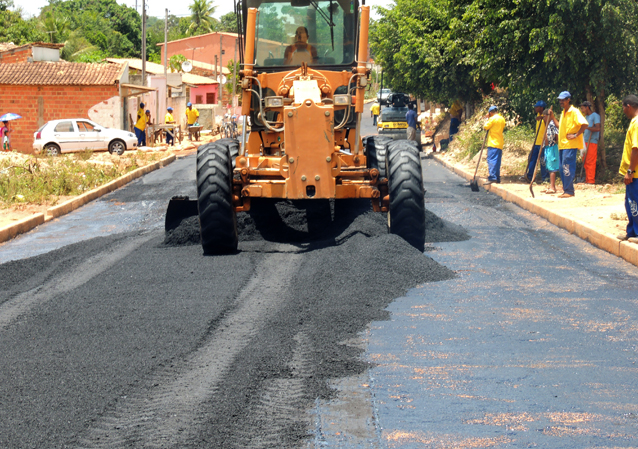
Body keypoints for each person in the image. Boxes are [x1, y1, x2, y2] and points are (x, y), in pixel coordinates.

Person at [556, 91, 588, 198]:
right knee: (561, 167)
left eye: (563, 100)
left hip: (570, 145)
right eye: (560, 100)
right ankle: (566, 189)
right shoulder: (563, 113)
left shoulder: (574, 111)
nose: (561, 102)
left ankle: (569, 191)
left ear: (568, 100)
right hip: (562, 145)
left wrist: (576, 135)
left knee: (567, 167)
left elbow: (584, 124)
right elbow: (560, 127)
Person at [616, 94, 638, 244]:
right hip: (632, 173)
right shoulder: (633, 122)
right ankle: (631, 232)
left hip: (635, 173)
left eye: (623, 107)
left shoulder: (636, 123)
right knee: (629, 202)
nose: (623, 110)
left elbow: (636, 149)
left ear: (628, 106)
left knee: (635, 203)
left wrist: (630, 171)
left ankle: (637, 233)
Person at [523, 100, 549, 183]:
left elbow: (548, 122)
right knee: (532, 158)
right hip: (537, 142)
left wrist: (542, 118)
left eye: (537, 107)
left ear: (541, 108)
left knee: (542, 161)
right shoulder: (538, 114)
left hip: (543, 142)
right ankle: (529, 176)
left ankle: (545, 178)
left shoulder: (546, 115)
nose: (535, 108)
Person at [483, 105, 506, 184]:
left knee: (491, 160)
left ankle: (492, 177)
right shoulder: (502, 119)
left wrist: (487, 118)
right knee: (497, 161)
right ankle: (497, 177)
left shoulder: (492, 119)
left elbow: (485, 127)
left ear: (490, 113)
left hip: (492, 143)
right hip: (499, 143)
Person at [579, 100, 601, 184]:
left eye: (582, 108)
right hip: (585, 141)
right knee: (584, 160)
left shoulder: (595, 116)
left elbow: (597, 128)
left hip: (592, 141)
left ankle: (591, 180)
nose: (582, 110)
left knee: (590, 161)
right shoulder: (586, 117)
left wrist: (587, 128)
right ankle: (587, 179)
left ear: (587, 107)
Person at [541, 109, 560, 194]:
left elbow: (557, 135)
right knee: (548, 166)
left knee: (552, 167)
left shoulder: (552, 124)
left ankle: (552, 187)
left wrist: (553, 142)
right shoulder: (547, 124)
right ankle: (551, 186)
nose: (544, 119)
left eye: (544, 117)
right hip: (547, 148)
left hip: (552, 147)